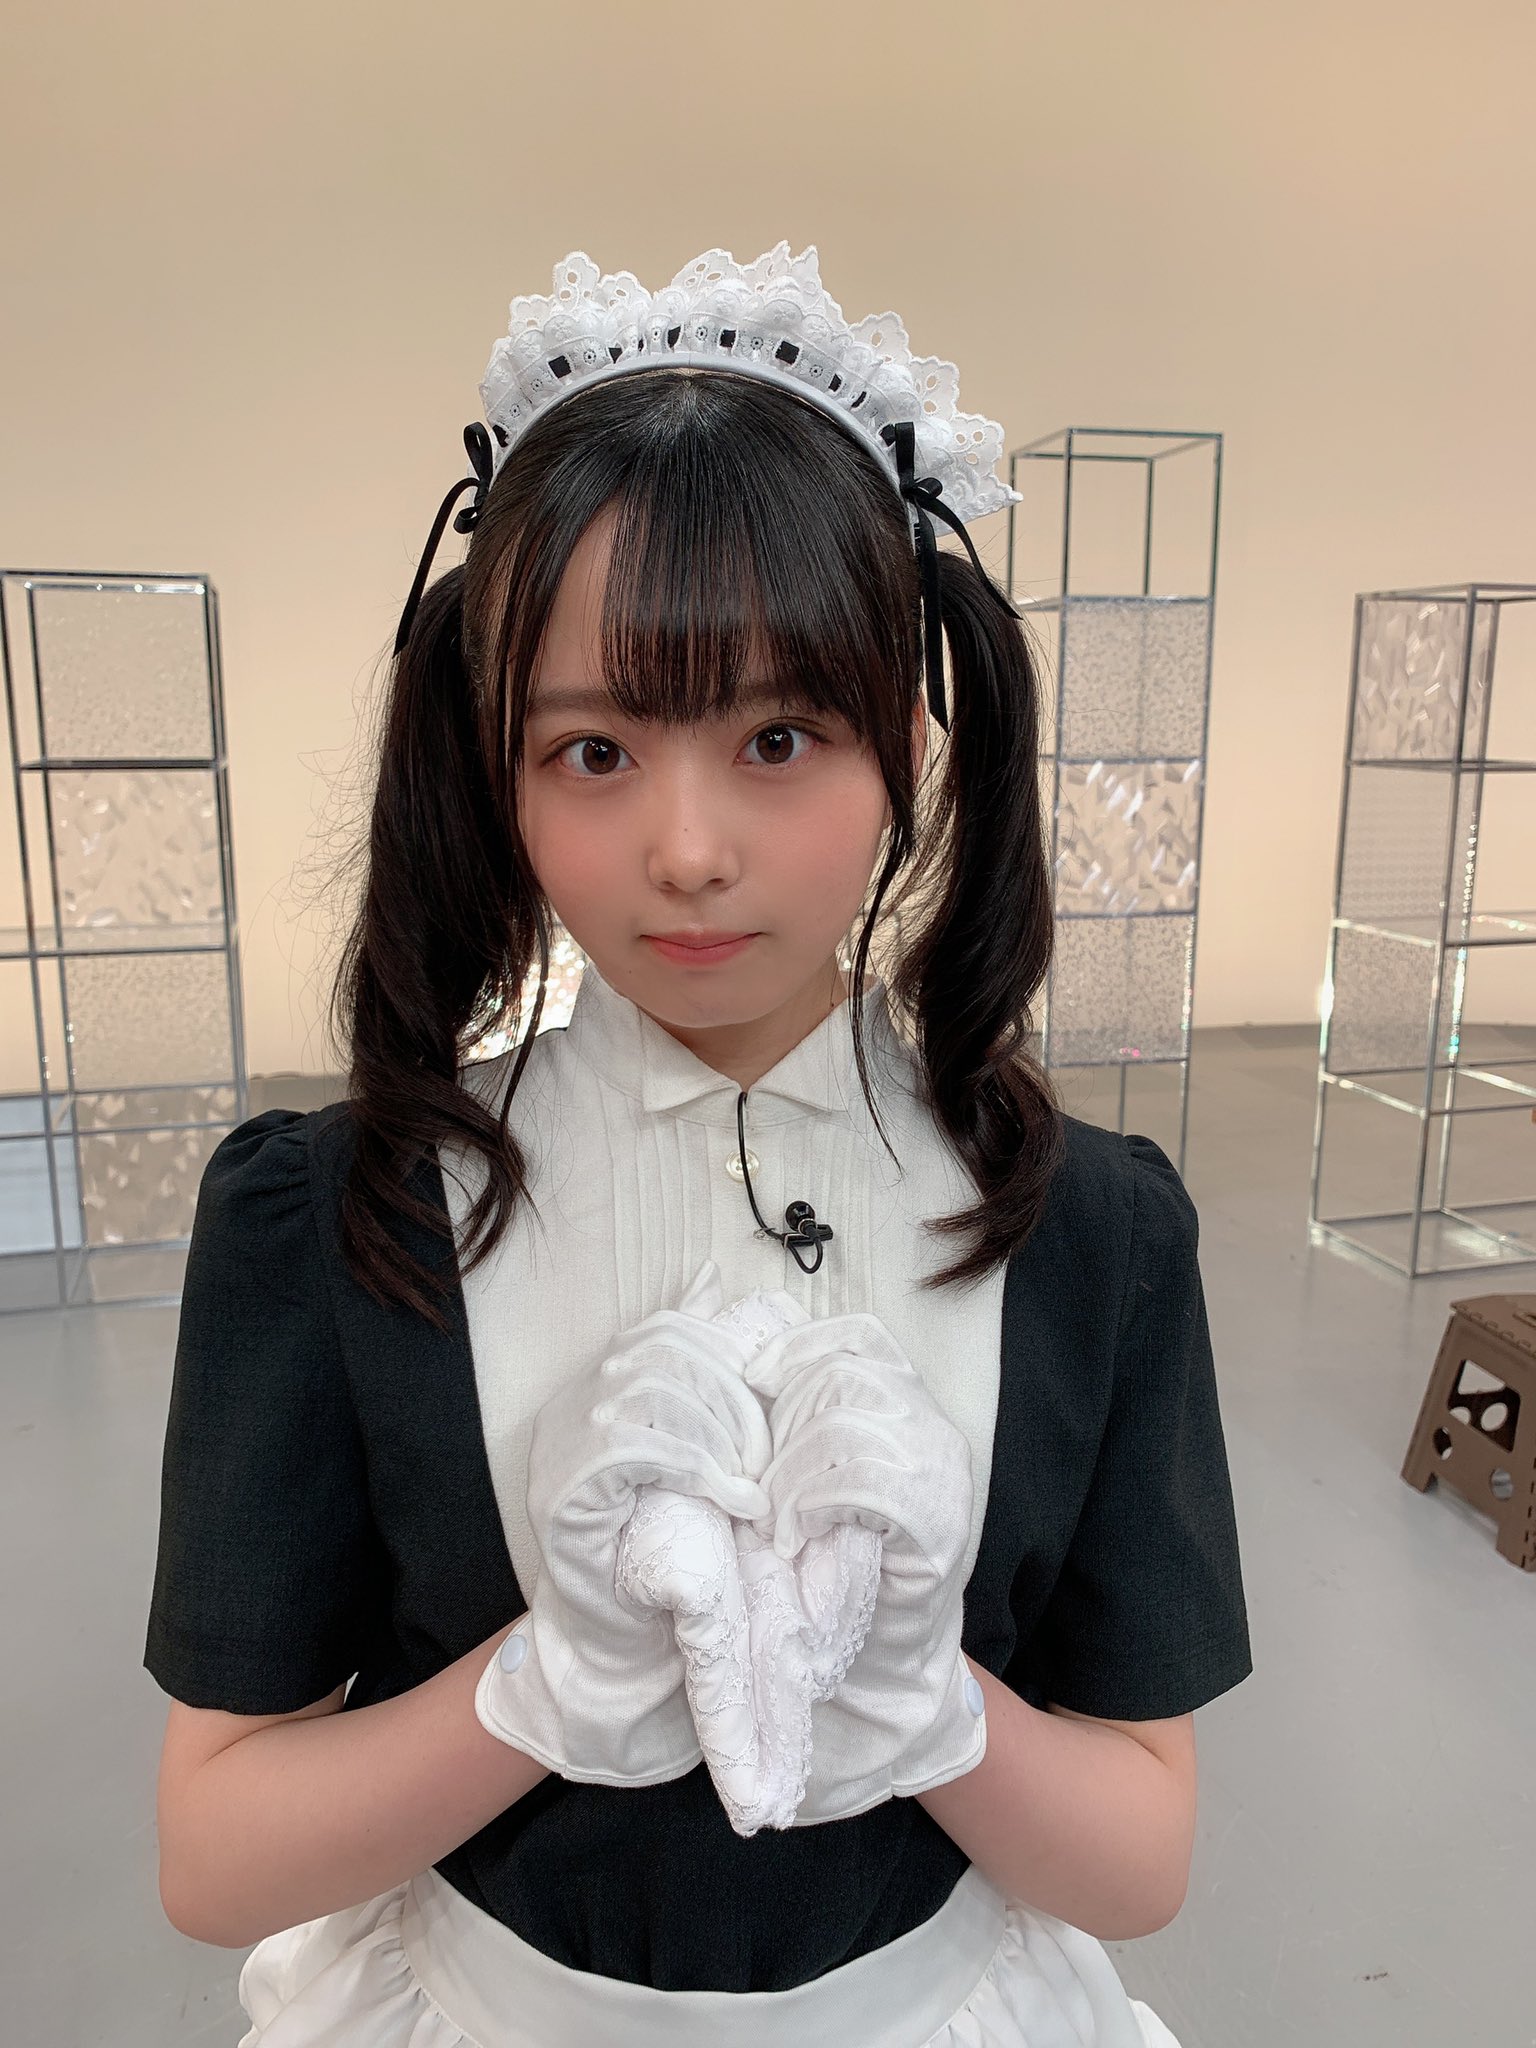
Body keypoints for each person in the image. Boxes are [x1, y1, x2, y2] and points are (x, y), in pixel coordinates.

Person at [143, 243, 1251, 2047]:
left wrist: (930, 1709)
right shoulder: (340, 1214)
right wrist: (540, 1691)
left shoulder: (1090, 1231)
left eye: (778, 737)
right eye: (592, 751)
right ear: (495, 766)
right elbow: (214, 1859)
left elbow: (1140, 1865)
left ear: (907, 743)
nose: (686, 849)